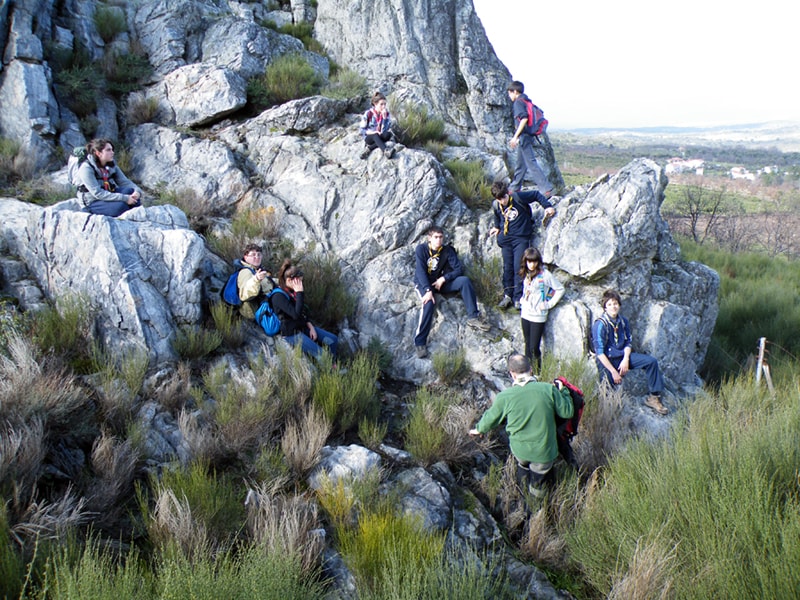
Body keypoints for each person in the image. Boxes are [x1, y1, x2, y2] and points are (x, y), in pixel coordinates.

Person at [469, 354, 573, 500]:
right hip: (544, 452)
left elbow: (490, 418)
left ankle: (522, 494)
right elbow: (567, 411)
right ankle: (537, 506)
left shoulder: (505, 396)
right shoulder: (548, 389)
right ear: (531, 370)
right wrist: (564, 392)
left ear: (512, 373)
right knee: (539, 486)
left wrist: (478, 429)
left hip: (520, 451)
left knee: (523, 467)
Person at [413, 226, 490, 359]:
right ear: (429, 238)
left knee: (464, 281)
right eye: (436, 237)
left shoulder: (447, 250)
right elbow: (420, 271)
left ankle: (473, 317)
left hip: (440, 282)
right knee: (429, 303)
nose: (439, 240)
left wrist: (444, 278)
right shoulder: (422, 249)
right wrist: (427, 290)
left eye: (441, 237)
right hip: (424, 283)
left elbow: (459, 269)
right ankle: (420, 342)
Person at [592, 289, 668, 415]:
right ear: (605, 307)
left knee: (651, 362)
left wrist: (626, 359)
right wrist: (613, 371)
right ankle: (605, 413)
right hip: (607, 360)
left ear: (619, 305)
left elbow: (628, 342)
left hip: (622, 357)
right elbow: (599, 352)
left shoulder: (623, 321)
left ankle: (654, 397)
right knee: (608, 390)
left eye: (615, 303)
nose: (613, 307)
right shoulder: (600, 324)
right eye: (609, 304)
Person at [489, 181, 555, 309]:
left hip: (520, 238)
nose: (501, 201)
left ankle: (518, 298)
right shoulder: (496, 205)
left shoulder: (518, 198)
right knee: (507, 268)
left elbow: (536, 194)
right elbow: (497, 216)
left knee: (518, 267)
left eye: (503, 197)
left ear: (507, 193)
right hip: (506, 239)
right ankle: (508, 295)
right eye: (498, 199)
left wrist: (547, 206)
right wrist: (497, 227)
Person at [270, 259, 338, 359]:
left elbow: (303, 313)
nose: (301, 284)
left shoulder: (292, 292)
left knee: (332, 340)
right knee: (322, 355)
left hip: (302, 327)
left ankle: (333, 363)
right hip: (291, 333)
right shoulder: (278, 296)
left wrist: (311, 328)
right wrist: (300, 293)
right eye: (299, 281)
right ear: (289, 280)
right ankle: (330, 369)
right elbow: (296, 314)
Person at [518, 247, 564, 373]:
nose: (531, 265)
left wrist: (549, 304)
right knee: (527, 345)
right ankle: (528, 372)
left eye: (534, 262)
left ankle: (537, 373)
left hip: (538, 315)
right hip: (526, 313)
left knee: (534, 346)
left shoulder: (545, 275)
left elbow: (560, 289)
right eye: (529, 262)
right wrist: (523, 300)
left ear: (538, 262)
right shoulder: (526, 273)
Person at [506, 81, 553, 197]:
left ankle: (546, 189)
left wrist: (515, 137)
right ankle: (514, 187)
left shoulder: (518, 103)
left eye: (510, 93)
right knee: (521, 164)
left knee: (531, 164)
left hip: (524, 137)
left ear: (515, 92)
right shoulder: (526, 101)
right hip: (528, 136)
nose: (509, 96)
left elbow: (524, 119)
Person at [75, 139, 143, 217]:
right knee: (121, 206)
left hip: (107, 194)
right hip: (92, 202)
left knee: (130, 191)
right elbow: (98, 193)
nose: (112, 152)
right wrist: (125, 198)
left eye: (112, 150)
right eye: (108, 150)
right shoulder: (86, 168)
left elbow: (125, 182)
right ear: (98, 153)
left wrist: (137, 191)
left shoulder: (111, 164)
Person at [235, 243, 275, 320]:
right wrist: (256, 280)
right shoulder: (245, 272)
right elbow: (244, 294)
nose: (257, 257)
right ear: (245, 257)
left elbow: (267, 282)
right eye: (253, 255)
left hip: (264, 306)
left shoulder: (256, 269)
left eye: (259, 255)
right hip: (257, 311)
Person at [358, 91, 395, 160]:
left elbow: (384, 131)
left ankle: (370, 148)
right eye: (381, 104)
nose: (383, 106)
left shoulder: (386, 114)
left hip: (379, 135)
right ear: (375, 104)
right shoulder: (369, 113)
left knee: (388, 135)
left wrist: (384, 119)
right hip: (370, 136)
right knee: (375, 135)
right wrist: (373, 132)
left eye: (385, 104)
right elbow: (361, 130)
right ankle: (386, 151)